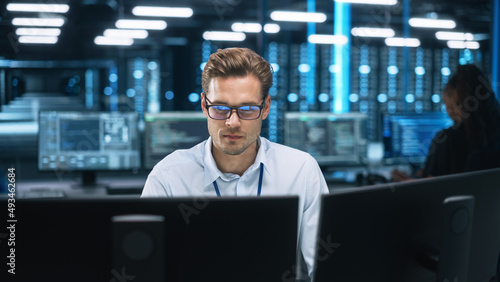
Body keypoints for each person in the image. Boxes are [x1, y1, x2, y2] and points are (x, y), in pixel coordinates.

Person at [142, 47, 329, 279]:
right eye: (220, 109)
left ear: (266, 107)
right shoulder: (168, 177)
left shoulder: (301, 171)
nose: (232, 122)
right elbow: (146, 270)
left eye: (247, 109)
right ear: (204, 105)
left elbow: (325, 269)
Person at [392, 64, 500, 181]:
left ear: (454, 103)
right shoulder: (494, 137)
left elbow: (431, 191)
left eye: (448, 106)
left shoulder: (446, 140)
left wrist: (406, 182)